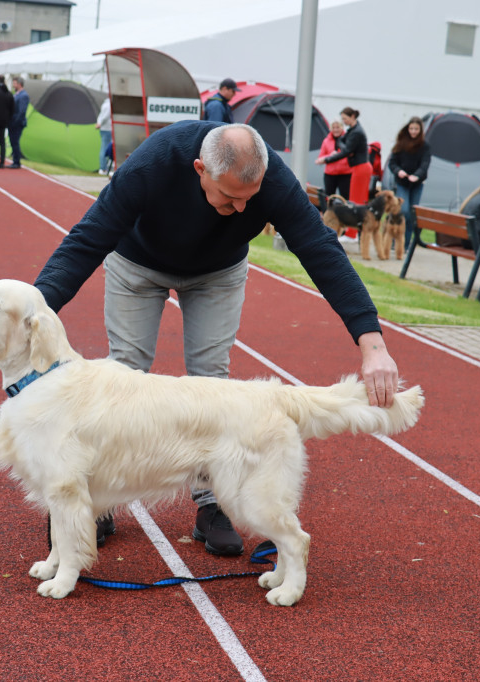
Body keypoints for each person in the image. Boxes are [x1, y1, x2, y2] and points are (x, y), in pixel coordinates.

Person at [33, 121, 399, 556]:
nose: (243, 210)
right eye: (229, 197)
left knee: (213, 381)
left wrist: (372, 343)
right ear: (199, 169)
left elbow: (320, 250)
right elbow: (86, 240)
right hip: (137, 264)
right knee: (124, 375)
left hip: (218, 272)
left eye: (251, 199)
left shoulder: (274, 181)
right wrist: (33, 312)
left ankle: (213, 502)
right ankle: (95, 501)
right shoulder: (152, 163)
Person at [315, 107, 370, 242]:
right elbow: (343, 145)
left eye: (345, 119)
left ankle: (352, 234)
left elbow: (346, 151)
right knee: (354, 199)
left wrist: (326, 159)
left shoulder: (356, 132)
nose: (344, 122)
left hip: (361, 167)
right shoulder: (352, 130)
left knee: (356, 201)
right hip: (357, 167)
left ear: (352, 116)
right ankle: (354, 233)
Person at [387, 116, 432, 249]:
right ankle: (394, 240)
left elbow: (425, 165)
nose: (413, 131)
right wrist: (399, 171)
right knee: (403, 210)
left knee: (412, 214)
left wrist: (417, 176)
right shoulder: (401, 143)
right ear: (408, 129)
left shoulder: (425, 146)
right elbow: (392, 163)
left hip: (417, 184)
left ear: (420, 130)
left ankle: (405, 244)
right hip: (402, 182)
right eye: (411, 128)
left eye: (416, 129)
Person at [318, 120, 352, 199]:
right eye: (333, 128)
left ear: (342, 128)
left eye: (338, 127)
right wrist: (330, 155)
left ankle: (345, 211)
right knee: (329, 197)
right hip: (330, 174)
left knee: (346, 198)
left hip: (345, 174)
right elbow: (320, 158)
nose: (336, 130)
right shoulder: (326, 141)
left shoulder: (348, 139)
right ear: (330, 129)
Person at [8, 76, 29, 169]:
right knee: (13, 141)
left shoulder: (23, 95)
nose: (13, 85)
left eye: (14, 83)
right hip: (12, 122)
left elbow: (22, 111)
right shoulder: (16, 94)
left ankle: (16, 161)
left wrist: (15, 122)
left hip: (17, 123)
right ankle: (15, 160)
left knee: (15, 142)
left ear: (19, 84)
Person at [95, 96, 113, 175]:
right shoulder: (109, 105)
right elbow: (105, 117)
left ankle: (103, 168)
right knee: (106, 149)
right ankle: (103, 168)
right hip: (107, 129)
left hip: (103, 128)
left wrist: (99, 123)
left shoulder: (104, 104)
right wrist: (100, 123)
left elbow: (100, 116)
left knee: (104, 148)